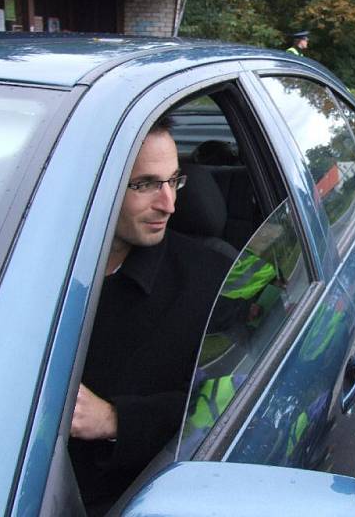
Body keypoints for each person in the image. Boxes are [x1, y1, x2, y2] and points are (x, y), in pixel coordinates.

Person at [67, 116, 233, 514]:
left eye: (174, 181)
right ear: (96, 185)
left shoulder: (210, 283)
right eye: (145, 185)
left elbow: (227, 403)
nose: (169, 204)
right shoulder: (19, 269)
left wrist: (116, 420)